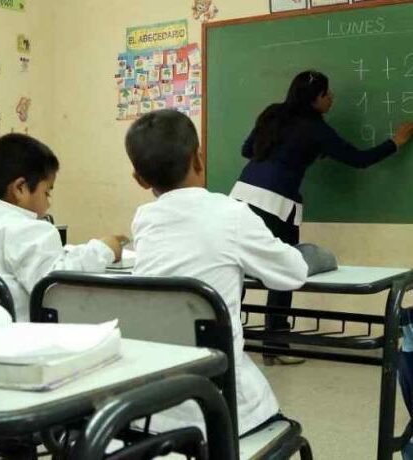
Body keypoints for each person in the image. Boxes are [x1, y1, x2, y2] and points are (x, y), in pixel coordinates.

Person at [125, 109, 308, 435]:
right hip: (219, 405)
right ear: (198, 158)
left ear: (139, 179)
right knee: (274, 413)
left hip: (152, 402)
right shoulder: (232, 214)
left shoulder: (144, 219)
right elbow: (293, 273)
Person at [230, 70, 413, 365]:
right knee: (283, 272)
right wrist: (396, 142)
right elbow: (359, 159)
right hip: (276, 205)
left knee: (236, 271)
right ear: (315, 99)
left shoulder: (273, 114)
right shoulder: (316, 129)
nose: (332, 98)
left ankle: (228, 341)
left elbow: (247, 149)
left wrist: (295, 152)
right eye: (327, 94)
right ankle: (276, 346)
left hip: (240, 196)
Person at [0, 133, 127, 321]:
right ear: (20, 188)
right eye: (47, 192)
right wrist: (104, 249)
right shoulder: (29, 229)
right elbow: (58, 284)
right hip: (16, 335)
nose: (49, 203)